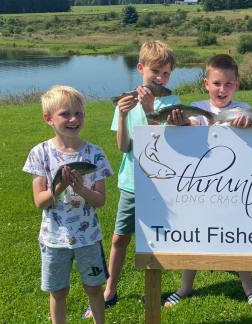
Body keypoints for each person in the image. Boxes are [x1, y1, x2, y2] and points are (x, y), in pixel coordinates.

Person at [83, 40, 181, 318]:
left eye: (166, 73)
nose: (160, 78)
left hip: (161, 183)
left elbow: (163, 146)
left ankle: (155, 289)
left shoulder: (172, 102)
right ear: (141, 69)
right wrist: (124, 114)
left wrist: (151, 112)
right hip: (131, 182)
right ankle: (109, 290)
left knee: (157, 238)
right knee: (118, 240)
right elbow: (123, 146)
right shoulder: (125, 102)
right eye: (155, 72)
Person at [164, 54, 252, 309]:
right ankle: (185, 287)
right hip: (200, 186)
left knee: (239, 235)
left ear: (237, 85)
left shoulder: (243, 109)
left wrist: (250, 127)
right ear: (206, 84)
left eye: (228, 84)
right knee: (192, 235)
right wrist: (180, 123)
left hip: (233, 187)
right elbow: (190, 125)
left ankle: (249, 287)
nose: (222, 89)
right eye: (217, 83)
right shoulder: (198, 108)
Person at [22, 85, 113, 324]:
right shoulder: (40, 153)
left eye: (78, 113)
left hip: (88, 238)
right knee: (58, 292)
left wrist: (81, 188)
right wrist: (61, 186)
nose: (73, 119)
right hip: (54, 239)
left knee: (94, 288)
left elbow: (100, 201)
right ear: (48, 119)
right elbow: (40, 202)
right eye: (65, 114)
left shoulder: (95, 154)